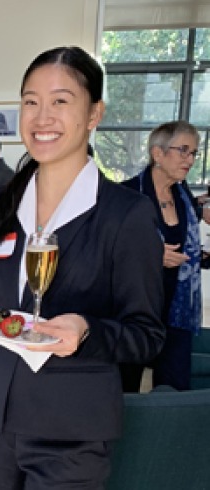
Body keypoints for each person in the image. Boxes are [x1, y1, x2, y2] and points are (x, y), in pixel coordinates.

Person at [0, 46, 165, 488]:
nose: (41, 117)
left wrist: (88, 331)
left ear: (94, 114)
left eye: (60, 101)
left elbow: (146, 335)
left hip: (71, 429)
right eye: (30, 101)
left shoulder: (125, 215)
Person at [120, 121, 207, 391]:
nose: (190, 159)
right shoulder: (125, 195)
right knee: (125, 386)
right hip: (134, 307)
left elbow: (189, 248)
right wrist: (151, 255)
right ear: (157, 154)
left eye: (194, 153)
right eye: (183, 150)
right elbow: (107, 251)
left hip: (178, 309)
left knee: (175, 384)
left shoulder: (186, 199)